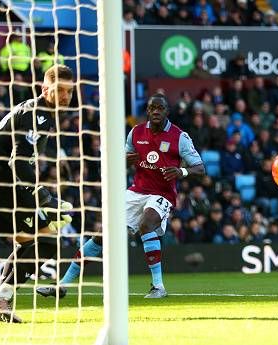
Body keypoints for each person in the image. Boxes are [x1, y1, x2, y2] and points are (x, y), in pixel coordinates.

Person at [37, 93, 205, 299]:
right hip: (136, 191)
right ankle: (62, 285)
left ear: (167, 111)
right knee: (101, 236)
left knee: (146, 223)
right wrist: (125, 160)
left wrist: (182, 172)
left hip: (162, 194)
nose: (156, 112)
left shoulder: (179, 137)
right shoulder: (136, 133)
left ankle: (158, 286)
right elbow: (121, 160)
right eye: (152, 108)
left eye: (160, 108)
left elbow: (200, 168)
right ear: (147, 111)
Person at [0, 65, 75, 322]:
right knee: (46, 240)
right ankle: (1, 297)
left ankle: (0, 301)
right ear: (44, 88)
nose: (64, 97)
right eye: (59, 90)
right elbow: (19, 161)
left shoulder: (41, 114)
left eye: (69, 92)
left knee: (38, 242)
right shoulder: (35, 114)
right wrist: (41, 196)